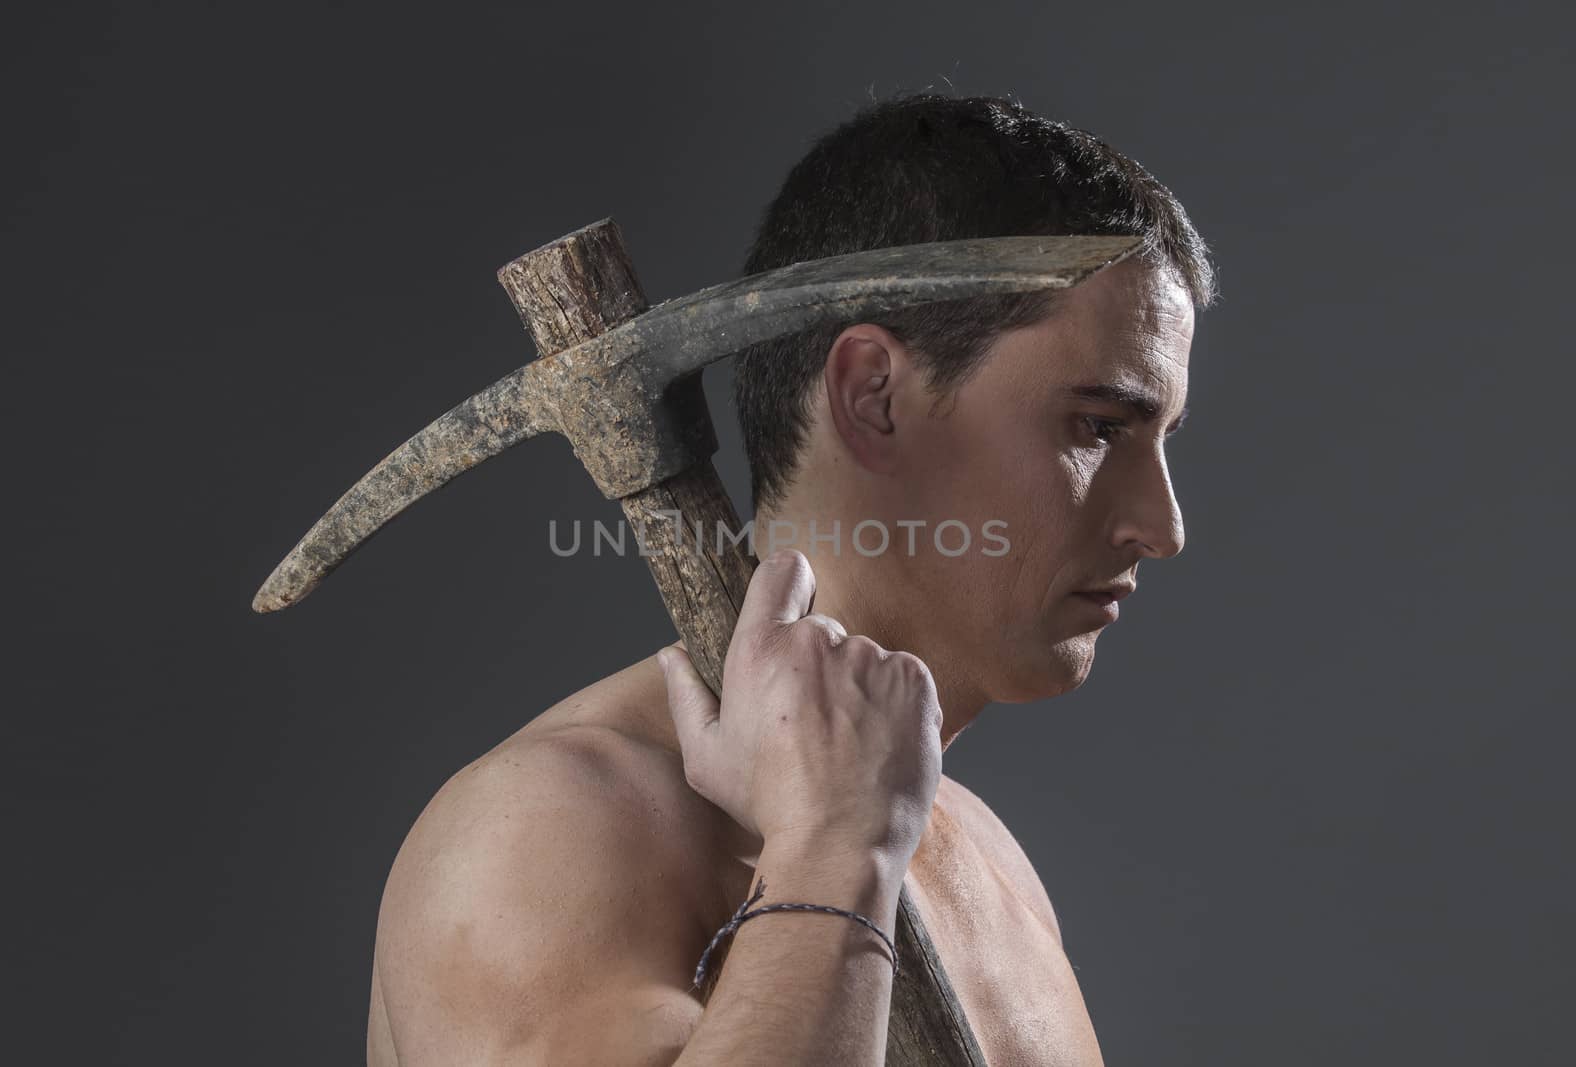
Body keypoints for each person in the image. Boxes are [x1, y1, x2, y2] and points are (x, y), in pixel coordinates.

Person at [366, 91, 1215, 1066]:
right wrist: (829, 854)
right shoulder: (544, 832)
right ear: (873, 396)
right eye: (1097, 427)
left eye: (1160, 439)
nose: (1161, 526)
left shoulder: (987, 864)